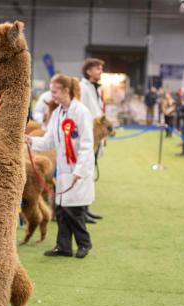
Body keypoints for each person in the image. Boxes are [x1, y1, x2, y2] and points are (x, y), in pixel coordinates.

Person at [28, 74, 94, 259]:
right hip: (64, 168)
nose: (52, 96)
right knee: (62, 210)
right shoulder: (58, 114)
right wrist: (30, 141)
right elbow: (50, 140)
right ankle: (63, 246)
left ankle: (84, 243)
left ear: (66, 91)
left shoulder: (81, 112)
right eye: (52, 91)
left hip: (78, 169)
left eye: (55, 92)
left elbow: (87, 144)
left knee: (75, 210)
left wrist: (80, 170)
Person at [79, 57, 106, 223]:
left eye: (101, 69)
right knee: (84, 173)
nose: (100, 71)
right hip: (87, 136)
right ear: (89, 71)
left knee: (89, 173)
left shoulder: (95, 89)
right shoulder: (83, 88)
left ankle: (85, 208)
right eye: (97, 69)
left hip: (96, 136)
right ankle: (81, 210)